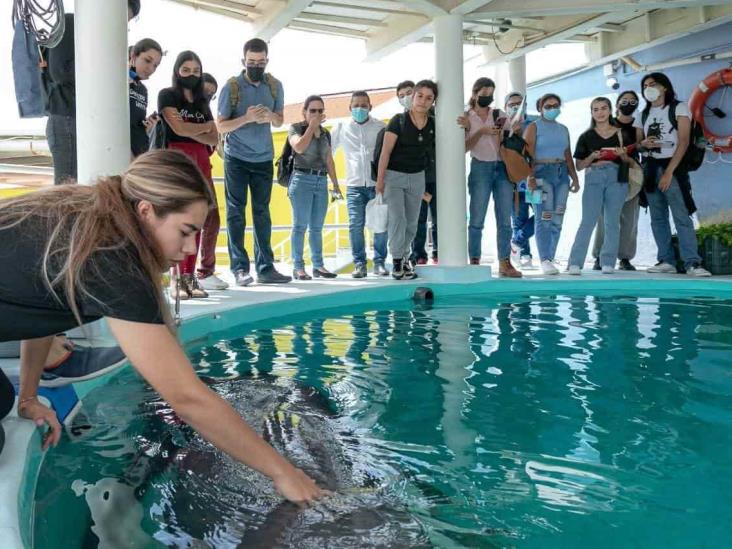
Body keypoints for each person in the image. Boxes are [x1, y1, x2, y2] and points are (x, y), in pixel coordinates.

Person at [0, 150, 324, 503]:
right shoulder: (111, 256)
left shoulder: (93, 219)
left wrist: (28, 397)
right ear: (146, 210)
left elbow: (42, 307)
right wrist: (284, 474)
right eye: (185, 232)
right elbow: (186, 398)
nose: (188, 250)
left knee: (4, 398)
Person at [217, 38, 291, 287]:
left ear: (267, 61)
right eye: (251, 62)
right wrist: (247, 118)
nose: (256, 66)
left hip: (263, 158)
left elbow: (280, 121)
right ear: (243, 61)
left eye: (260, 62)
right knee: (236, 213)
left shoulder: (275, 86)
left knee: (262, 213)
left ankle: (266, 267)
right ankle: (239, 268)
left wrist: (270, 116)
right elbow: (221, 125)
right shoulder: (232, 87)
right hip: (236, 157)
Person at [42, 1, 141, 184]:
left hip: (88, 119)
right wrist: (105, 71)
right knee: (69, 189)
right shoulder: (71, 23)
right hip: (66, 116)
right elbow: (59, 72)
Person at [159, 51, 226, 296]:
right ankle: (176, 279)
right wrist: (202, 129)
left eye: (195, 71)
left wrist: (193, 130)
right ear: (177, 71)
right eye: (186, 70)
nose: (191, 75)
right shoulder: (167, 95)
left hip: (201, 160)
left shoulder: (202, 102)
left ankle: (190, 277)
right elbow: (176, 127)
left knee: (199, 218)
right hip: (178, 159)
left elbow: (213, 136)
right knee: (179, 218)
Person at [634, 72, 711, 277]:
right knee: (657, 217)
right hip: (650, 169)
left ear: (664, 87)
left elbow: (684, 141)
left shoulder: (679, 107)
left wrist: (669, 172)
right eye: (645, 85)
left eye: (653, 84)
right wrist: (643, 144)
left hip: (672, 168)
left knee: (681, 216)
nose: (648, 88)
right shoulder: (643, 114)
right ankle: (666, 260)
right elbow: (638, 145)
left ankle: (692, 262)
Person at [457, 78, 521, 277]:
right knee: (476, 217)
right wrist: (480, 131)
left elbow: (509, 141)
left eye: (491, 94)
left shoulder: (498, 114)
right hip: (480, 167)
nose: (488, 97)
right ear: (475, 93)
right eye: (484, 93)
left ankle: (504, 262)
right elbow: (463, 148)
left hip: (502, 167)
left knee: (504, 218)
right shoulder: (466, 116)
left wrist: (502, 133)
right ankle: (474, 260)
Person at [376, 80, 437, 280]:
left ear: (433, 101)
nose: (423, 101)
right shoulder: (398, 120)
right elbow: (385, 152)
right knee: (397, 219)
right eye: (420, 96)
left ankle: (405, 258)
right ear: (413, 96)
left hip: (417, 177)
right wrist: (380, 181)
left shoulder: (434, 123)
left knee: (412, 222)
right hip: (394, 176)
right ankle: (396, 261)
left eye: (429, 98)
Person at [567, 97, 632, 275]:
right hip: (594, 177)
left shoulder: (621, 134)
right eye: (595, 109)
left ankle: (608, 262)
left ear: (610, 110)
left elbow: (629, 161)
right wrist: (592, 157)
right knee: (588, 221)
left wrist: (622, 155)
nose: (600, 112)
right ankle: (575, 262)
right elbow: (579, 165)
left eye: (603, 108)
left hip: (616, 178)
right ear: (592, 113)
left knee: (613, 222)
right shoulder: (586, 136)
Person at [331, 91, 389, 278]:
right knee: (355, 225)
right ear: (350, 108)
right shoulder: (341, 128)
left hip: (377, 184)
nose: (360, 108)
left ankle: (379, 262)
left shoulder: (381, 127)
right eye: (356, 105)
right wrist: (331, 182)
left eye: (364, 105)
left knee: (380, 224)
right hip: (354, 185)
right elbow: (328, 154)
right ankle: (359, 264)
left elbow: (387, 154)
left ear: (370, 107)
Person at [523, 93, 580, 275]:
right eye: (548, 106)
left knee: (558, 218)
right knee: (544, 216)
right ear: (540, 108)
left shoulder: (563, 129)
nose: (552, 109)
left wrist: (575, 178)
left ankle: (551, 257)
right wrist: (529, 177)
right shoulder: (533, 127)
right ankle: (545, 259)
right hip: (541, 174)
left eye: (555, 105)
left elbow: (568, 155)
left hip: (561, 174)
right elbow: (527, 155)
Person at [287, 96, 342, 280]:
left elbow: (328, 159)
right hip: (301, 179)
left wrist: (335, 184)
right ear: (304, 112)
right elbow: (299, 147)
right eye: (313, 111)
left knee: (317, 227)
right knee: (300, 225)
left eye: (320, 111)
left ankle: (318, 265)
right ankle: (298, 266)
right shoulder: (296, 128)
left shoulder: (325, 133)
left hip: (320, 181)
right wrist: (311, 127)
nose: (317, 114)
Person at [591, 91, 642, 271]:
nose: (628, 103)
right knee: (605, 217)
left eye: (632, 101)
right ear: (617, 104)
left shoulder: (638, 128)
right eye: (624, 100)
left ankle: (625, 257)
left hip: (631, 174)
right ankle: (599, 255)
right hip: (607, 173)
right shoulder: (606, 124)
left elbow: (639, 148)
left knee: (629, 218)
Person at [505, 92, 537, 269]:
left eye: (519, 103)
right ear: (506, 107)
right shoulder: (503, 127)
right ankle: (525, 255)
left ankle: (516, 242)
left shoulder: (535, 123)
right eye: (511, 104)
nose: (515, 107)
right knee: (519, 219)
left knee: (544, 214)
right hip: (514, 182)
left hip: (535, 179)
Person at [129, 38, 162, 158]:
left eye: (155, 66)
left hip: (139, 151)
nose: (151, 69)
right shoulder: (117, 80)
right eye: (147, 60)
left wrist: (148, 125)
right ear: (133, 55)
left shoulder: (143, 90)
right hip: (118, 148)